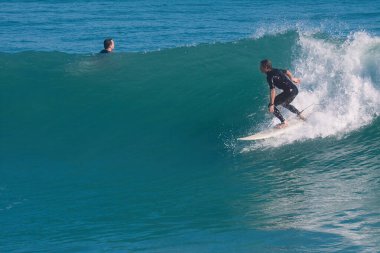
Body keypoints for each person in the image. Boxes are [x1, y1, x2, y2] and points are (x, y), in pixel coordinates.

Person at [260, 59, 305, 128]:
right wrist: (292, 78)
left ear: (266, 67)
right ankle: (299, 114)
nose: (260, 68)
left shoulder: (269, 76)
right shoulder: (277, 70)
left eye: (261, 66)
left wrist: (272, 104)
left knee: (271, 106)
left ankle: (284, 122)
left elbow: (272, 90)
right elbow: (287, 71)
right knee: (285, 104)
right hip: (295, 90)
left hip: (289, 92)